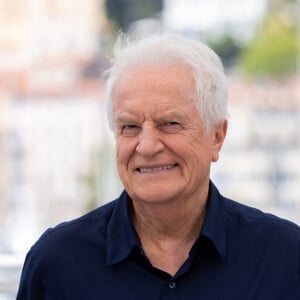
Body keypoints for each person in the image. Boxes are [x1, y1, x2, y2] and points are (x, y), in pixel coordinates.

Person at [17, 34, 300, 300]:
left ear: (217, 137)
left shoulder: (285, 258)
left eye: (170, 124)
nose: (147, 146)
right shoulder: (57, 264)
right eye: (130, 126)